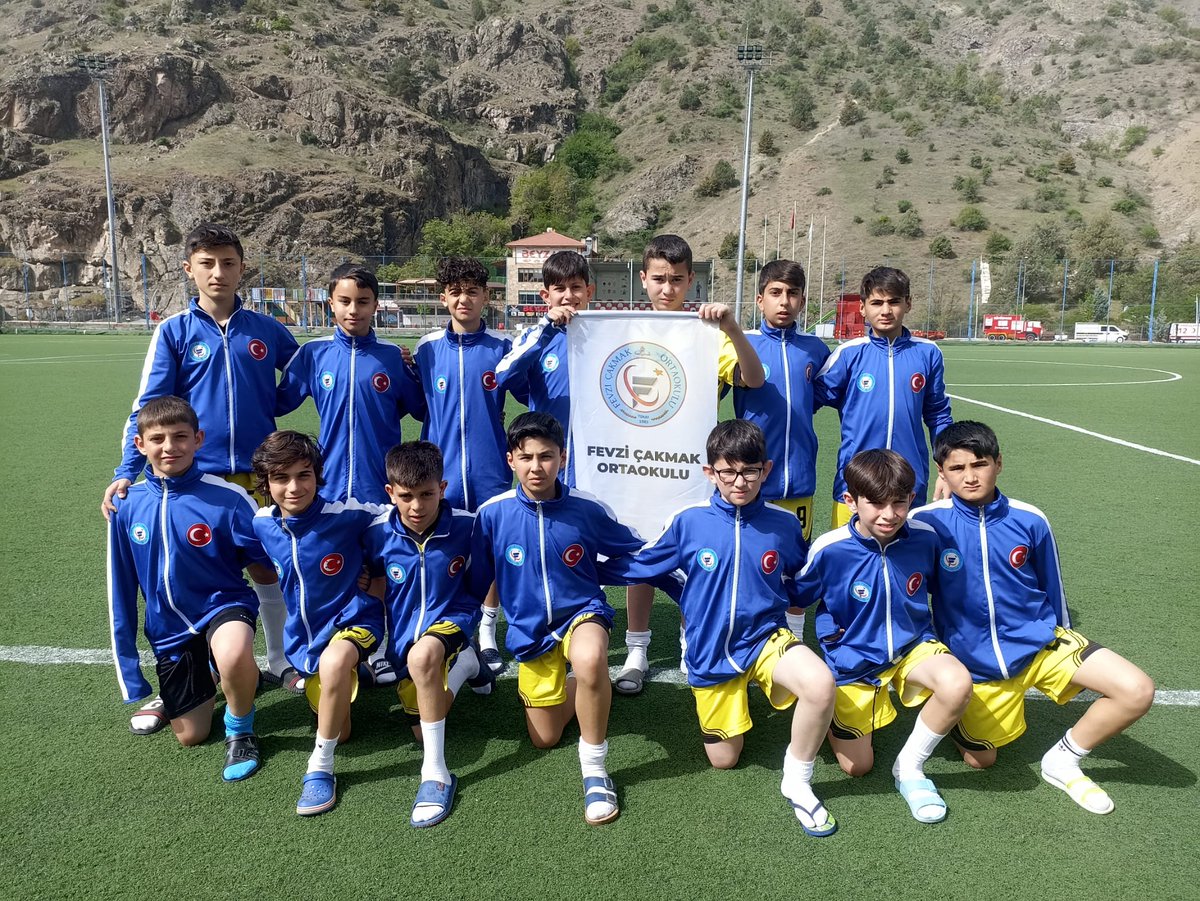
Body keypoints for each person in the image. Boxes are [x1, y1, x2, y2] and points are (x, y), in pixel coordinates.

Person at [102, 223, 301, 731]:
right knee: (187, 576)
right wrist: (128, 471)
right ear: (189, 269)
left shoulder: (266, 328)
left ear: (242, 267)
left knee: (267, 566)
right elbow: (148, 409)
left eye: (228, 263)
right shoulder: (173, 331)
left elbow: (303, 373)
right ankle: (183, 684)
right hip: (199, 476)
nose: (218, 273)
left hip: (259, 472)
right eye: (207, 264)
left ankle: (278, 659)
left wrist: (271, 404)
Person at [910, 421, 1155, 814]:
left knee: (1136, 689)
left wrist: (1066, 644)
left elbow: (1053, 589)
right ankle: (961, 713)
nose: (971, 477)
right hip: (973, 662)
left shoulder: (1031, 519)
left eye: (980, 464)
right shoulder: (926, 523)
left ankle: (1063, 759)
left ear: (999, 463)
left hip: (1040, 643)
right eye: (957, 469)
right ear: (941, 472)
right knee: (981, 760)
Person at [611, 420, 838, 836]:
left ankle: (797, 780)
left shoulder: (784, 525)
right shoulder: (688, 521)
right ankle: (735, 697)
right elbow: (643, 565)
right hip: (709, 649)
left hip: (765, 640)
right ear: (709, 472)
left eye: (750, 471)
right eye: (728, 471)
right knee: (724, 759)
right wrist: (577, 568)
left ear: (766, 470)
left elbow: (800, 582)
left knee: (821, 683)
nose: (740, 481)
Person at [470, 412, 657, 826]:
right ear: (510, 461)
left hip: (581, 613)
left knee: (591, 658)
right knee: (545, 737)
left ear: (563, 457)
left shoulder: (587, 508)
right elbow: (475, 578)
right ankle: (588, 688)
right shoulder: (492, 514)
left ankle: (594, 768)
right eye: (527, 457)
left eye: (547, 456)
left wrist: (682, 573)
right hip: (530, 632)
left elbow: (634, 552)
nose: (537, 467)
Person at [617, 234, 766, 696]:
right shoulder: (621, 329)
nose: (667, 289)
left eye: (677, 280)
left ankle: (690, 638)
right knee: (641, 554)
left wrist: (733, 329)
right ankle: (637, 649)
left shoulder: (706, 334)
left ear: (691, 282)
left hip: (690, 468)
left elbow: (753, 379)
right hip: (638, 464)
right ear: (643, 280)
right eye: (658, 279)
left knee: (693, 561)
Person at [796, 449, 973, 824]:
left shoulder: (926, 537)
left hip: (912, 647)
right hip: (854, 659)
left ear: (912, 499)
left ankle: (909, 768)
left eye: (899, 502)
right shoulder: (830, 549)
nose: (888, 514)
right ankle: (833, 718)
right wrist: (824, 639)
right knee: (857, 766)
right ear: (850, 501)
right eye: (875, 503)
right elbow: (797, 596)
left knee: (957, 683)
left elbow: (948, 586)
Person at [276, 262, 426, 686]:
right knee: (335, 566)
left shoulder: (392, 359)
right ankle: (334, 643)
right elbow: (275, 402)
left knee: (379, 567)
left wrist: (413, 367)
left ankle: (378, 647)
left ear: (376, 305)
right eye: (344, 301)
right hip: (329, 485)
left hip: (380, 484)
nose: (353, 309)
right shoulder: (314, 355)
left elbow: (421, 408)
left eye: (363, 301)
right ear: (331, 304)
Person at [106, 397, 268, 782]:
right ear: (140, 446)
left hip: (223, 605)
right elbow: (121, 587)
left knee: (232, 652)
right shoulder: (126, 505)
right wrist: (131, 675)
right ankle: (218, 674)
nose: (169, 447)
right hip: (169, 629)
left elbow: (267, 561)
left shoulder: (227, 498)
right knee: (192, 736)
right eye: (157, 439)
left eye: (180, 437)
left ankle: (240, 727)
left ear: (198, 439)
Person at [250, 431, 387, 816]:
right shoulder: (261, 525)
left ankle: (320, 768)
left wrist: (373, 581)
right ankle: (354, 676)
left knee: (334, 663)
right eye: (281, 478)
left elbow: (402, 516)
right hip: (306, 640)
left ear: (318, 475)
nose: (294, 487)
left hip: (356, 619)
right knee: (342, 732)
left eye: (303, 475)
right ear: (266, 483)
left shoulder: (349, 516)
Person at [362, 440, 494, 828]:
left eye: (427, 494)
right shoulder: (375, 534)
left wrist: (473, 617)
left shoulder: (470, 527)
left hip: (453, 619)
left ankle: (435, 774)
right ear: (390, 493)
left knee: (424, 657)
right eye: (406, 497)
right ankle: (469, 665)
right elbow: (370, 580)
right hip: (404, 640)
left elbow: (487, 576)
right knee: (421, 723)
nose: (417, 507)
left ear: (443, 488)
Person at [485, 250, 594, 672]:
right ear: (545, 294)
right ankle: (493, 624)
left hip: (599, 461)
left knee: (582, 545)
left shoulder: (607, 334)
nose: (568, 297)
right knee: (530, 547)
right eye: (560, 289)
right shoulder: (535, 334)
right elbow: (503, 375)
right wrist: (548, 329)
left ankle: (593, 627)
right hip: (548, 462)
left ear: (590, 290)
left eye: (576, 288)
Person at [814, 266, 953, 529]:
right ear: (863, 308)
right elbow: (805, 402)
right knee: (849, 561)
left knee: (908, 563)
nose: (886, 310)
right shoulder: (849, 354)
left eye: (894, 302)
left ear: (908, 304)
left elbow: (938, 415)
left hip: (910, 485)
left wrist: (946, 468)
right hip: (854, 483)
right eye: (876, 303)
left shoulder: (928, 353)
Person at [733, 259, 830, 543]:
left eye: (792, 293)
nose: (784, 301)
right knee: (754, 560)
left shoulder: (816, 349)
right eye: (776, 293)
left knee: (796, 565)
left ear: (802, 301)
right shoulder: (743, 344)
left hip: (800, 481)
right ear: (760, 300)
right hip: (751, 479)